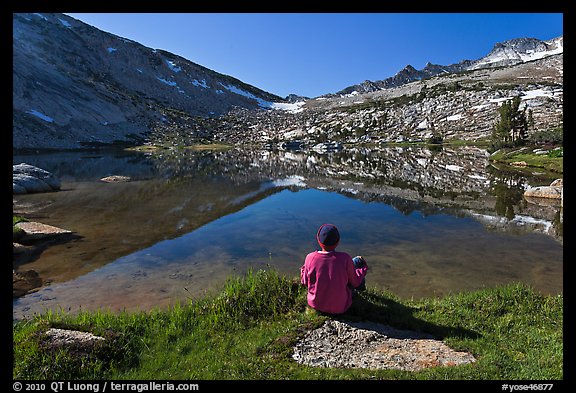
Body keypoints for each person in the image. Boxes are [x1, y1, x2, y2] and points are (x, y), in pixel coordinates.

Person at [300, 223, 369, 314]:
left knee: (352, 263)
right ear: (338, 242)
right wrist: (363, 269)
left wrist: (304, 269)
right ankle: (362, 291)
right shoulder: (345, 258)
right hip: (340, 307)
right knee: (358, 261)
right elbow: (355, 282)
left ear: (318, 241)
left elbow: (304, 281)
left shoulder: (310, 257)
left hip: (315, 304)